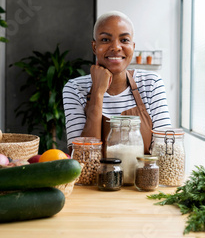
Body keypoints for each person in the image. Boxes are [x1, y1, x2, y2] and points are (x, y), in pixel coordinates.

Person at [62, 11, 172, 154]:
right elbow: (80, 156)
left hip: (143, 176)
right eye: (106, 40)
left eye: (124, 40)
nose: (116, 47)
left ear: (133, 47)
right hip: (95, 177)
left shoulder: (151, 84)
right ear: (95, 47)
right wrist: (97, 93)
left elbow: (166, 148)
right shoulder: (75, 89)